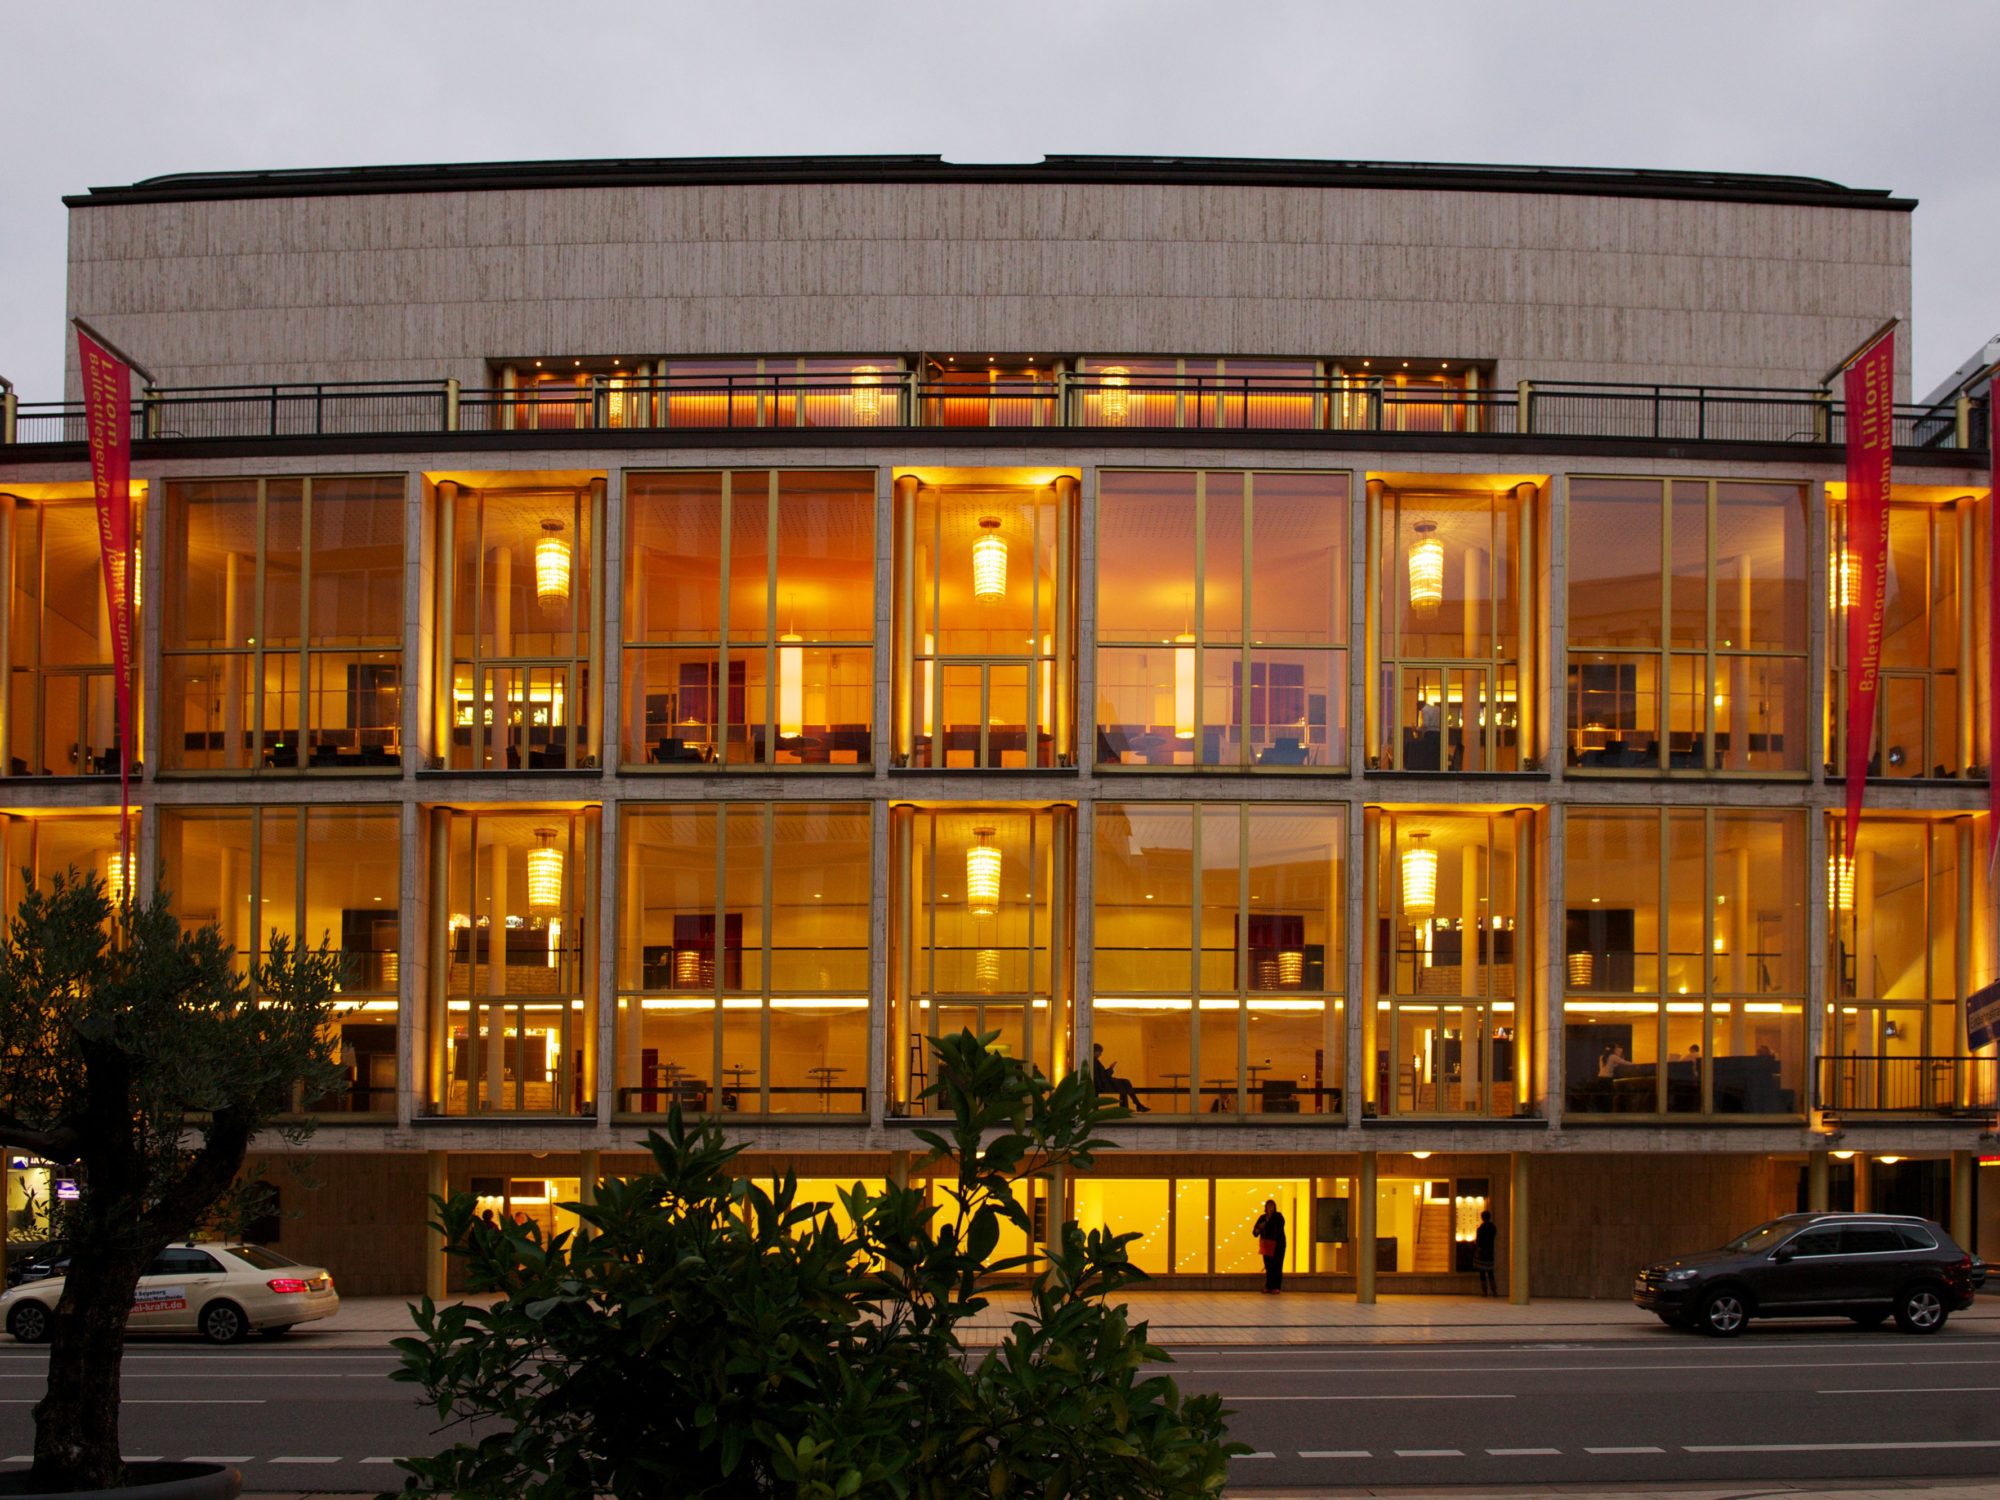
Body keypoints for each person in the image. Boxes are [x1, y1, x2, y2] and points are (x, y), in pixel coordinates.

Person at [1091, 1043, 1150, 1113]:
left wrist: (1110, 1069)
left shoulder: (1095, 1061)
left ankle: (1137, 1105)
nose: (1100, 1054)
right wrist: (1110, 1069)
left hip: (1103, 1082)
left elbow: (1102, 1075)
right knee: (1125, 1084)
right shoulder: (1094, 1062)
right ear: (1096, 1051)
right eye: (1099, 1052)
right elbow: (1103, 1076)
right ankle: (1136, 1105)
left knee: (1125, 1083)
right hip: (1103, 1084)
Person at [1252, 1198, 1287, 1293]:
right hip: (1266, 1244)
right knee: (1268, 1266)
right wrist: (1259, 1228)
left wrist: (1266, 1224)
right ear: (1266, 1207)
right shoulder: (1262, 1217)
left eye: (1272, 1206)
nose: (1270, 1208)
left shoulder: (1278, 1216)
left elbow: (1280, 1225)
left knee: (1277, 1265)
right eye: (1268, 1206)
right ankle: (1268, 1286)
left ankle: (1276, 1287)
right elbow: (1255, 1231)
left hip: (1278, 1244)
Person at [1473, 1208, 1498, 1297]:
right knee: (1490, 1272)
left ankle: (1485, 1292)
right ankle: (1494, 1291)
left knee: (1482, 1272)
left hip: (1482, 1252)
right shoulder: (1493, 1228)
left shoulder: (1481, 1229)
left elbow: (1478, 1241)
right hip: (1490, 1251)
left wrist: (1477, 1250)